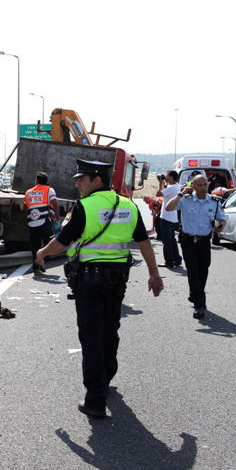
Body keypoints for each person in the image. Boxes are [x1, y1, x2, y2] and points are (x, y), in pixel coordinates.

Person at [35, 159, 163, 418]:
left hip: (89, 280)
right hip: (117, 280)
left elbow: (62, 242)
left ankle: (95, 398)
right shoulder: (128, 205)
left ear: (97, 180)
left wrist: (41, 253)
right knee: (110, 329)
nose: (77, 184)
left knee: (92, 335)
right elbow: (143, 242)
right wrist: (154, 273)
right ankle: (107, 375)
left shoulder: (85, 206)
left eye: (81, 179)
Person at [164, 174, 226, 319]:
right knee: (193, 271)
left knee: (203, 270)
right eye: (199, 185)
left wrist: (220, 227)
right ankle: (200, 305)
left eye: (205, 184)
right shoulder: (186, 200)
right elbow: (168, 208)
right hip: (188, 241)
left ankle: (194, 295)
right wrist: (181, 193)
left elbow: (222, 218)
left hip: (204, 241)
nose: (203, 188)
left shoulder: (214, 202)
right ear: (193, 186)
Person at [24, 172, 57, 273]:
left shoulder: (28, 192)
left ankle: (36, 265)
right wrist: (57, 219)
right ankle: (40, 259)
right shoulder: (49, 190)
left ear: (36, 181)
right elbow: (55, 204)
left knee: (35, 245)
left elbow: (26, 206)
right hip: (44, 221)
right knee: (51, 243)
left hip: (31, 222)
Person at [156, 170, 182, 268]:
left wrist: (161, 183)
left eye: (167, 176)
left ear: (172, 177)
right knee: (172, 240)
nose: (166, 178)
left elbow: (158, 194)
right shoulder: (177, 186)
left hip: (166, 217)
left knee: (166, 241)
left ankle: (169, 261)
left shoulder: (171, 188)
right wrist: (163, 183)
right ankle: (177, 259)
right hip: (173, 217)